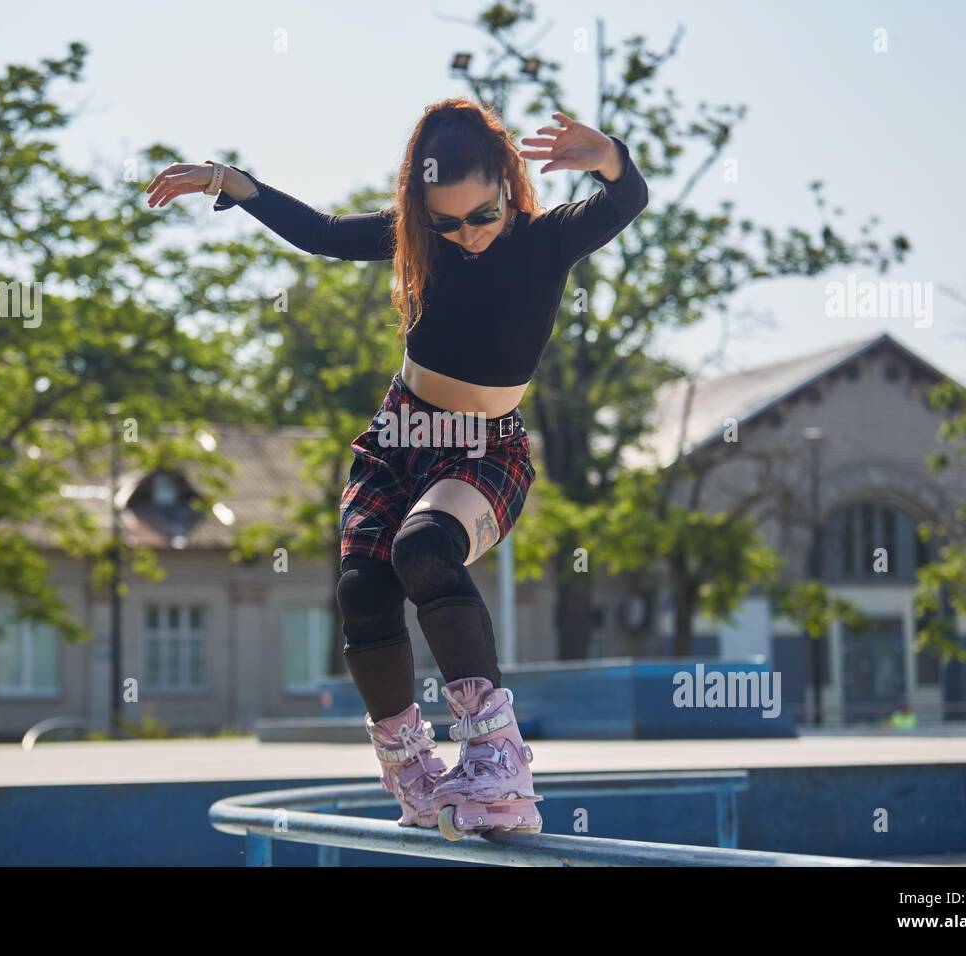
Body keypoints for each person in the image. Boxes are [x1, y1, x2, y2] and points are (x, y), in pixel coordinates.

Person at [146, 98, 648, 835]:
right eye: (446, 223)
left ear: (507, 186)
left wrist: (608, 156)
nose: (466, 236)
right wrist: (230, 181)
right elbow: (319, 234)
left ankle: (496, 758)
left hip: (483, 452)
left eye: (480, 216)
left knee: (424, 548)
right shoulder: (423, 242)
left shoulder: (545, 241)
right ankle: (411, 770)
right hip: (397, 439)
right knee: (362, 588)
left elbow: (627, 198)